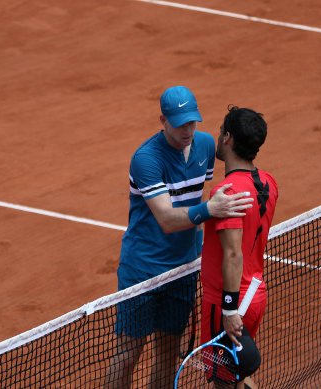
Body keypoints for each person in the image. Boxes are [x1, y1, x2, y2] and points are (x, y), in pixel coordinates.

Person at [104, 87, 254, 389]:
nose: (187, 130)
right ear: (163, 120)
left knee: (168, 352)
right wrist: (209, 209)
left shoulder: (205, 145)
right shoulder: (146, 159)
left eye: (192, 122)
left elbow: (229, 166)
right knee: (128, 355)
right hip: (142, 271)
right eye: (179, 123)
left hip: (182, 268)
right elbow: (167, 219)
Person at [201, 106, 278, 388]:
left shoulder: (228, 193)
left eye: (222, 131)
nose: (218, 136)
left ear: (228, 139)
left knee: (224, 382)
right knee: (238, 375)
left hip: (229, 299)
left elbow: (233, 254)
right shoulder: (268, 183)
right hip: (255, 295)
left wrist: (229, 309)